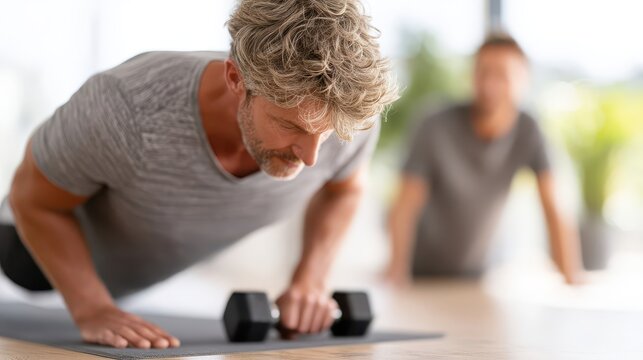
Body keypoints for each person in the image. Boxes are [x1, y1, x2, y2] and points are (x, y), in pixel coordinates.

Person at [0, 0, 397, 349]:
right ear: (236, 79)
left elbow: (345, 189)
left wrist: (310, 279)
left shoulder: (347, 113)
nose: (312, 157)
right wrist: (92, 308)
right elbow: (31, 199)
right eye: (291, 127)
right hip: (28, 252)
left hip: (134, 274)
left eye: (324, 134)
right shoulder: (127, 106)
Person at [385, 33, 583, 286]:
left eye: (501, 75)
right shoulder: (434, 124)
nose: (489, 84)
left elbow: (553, 205)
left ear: (523, 81)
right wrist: (396, 271)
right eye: (482, 72)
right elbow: (405, 205)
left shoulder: (529, 129)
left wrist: (572, 278)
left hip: (479, 275)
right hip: (421, 274)